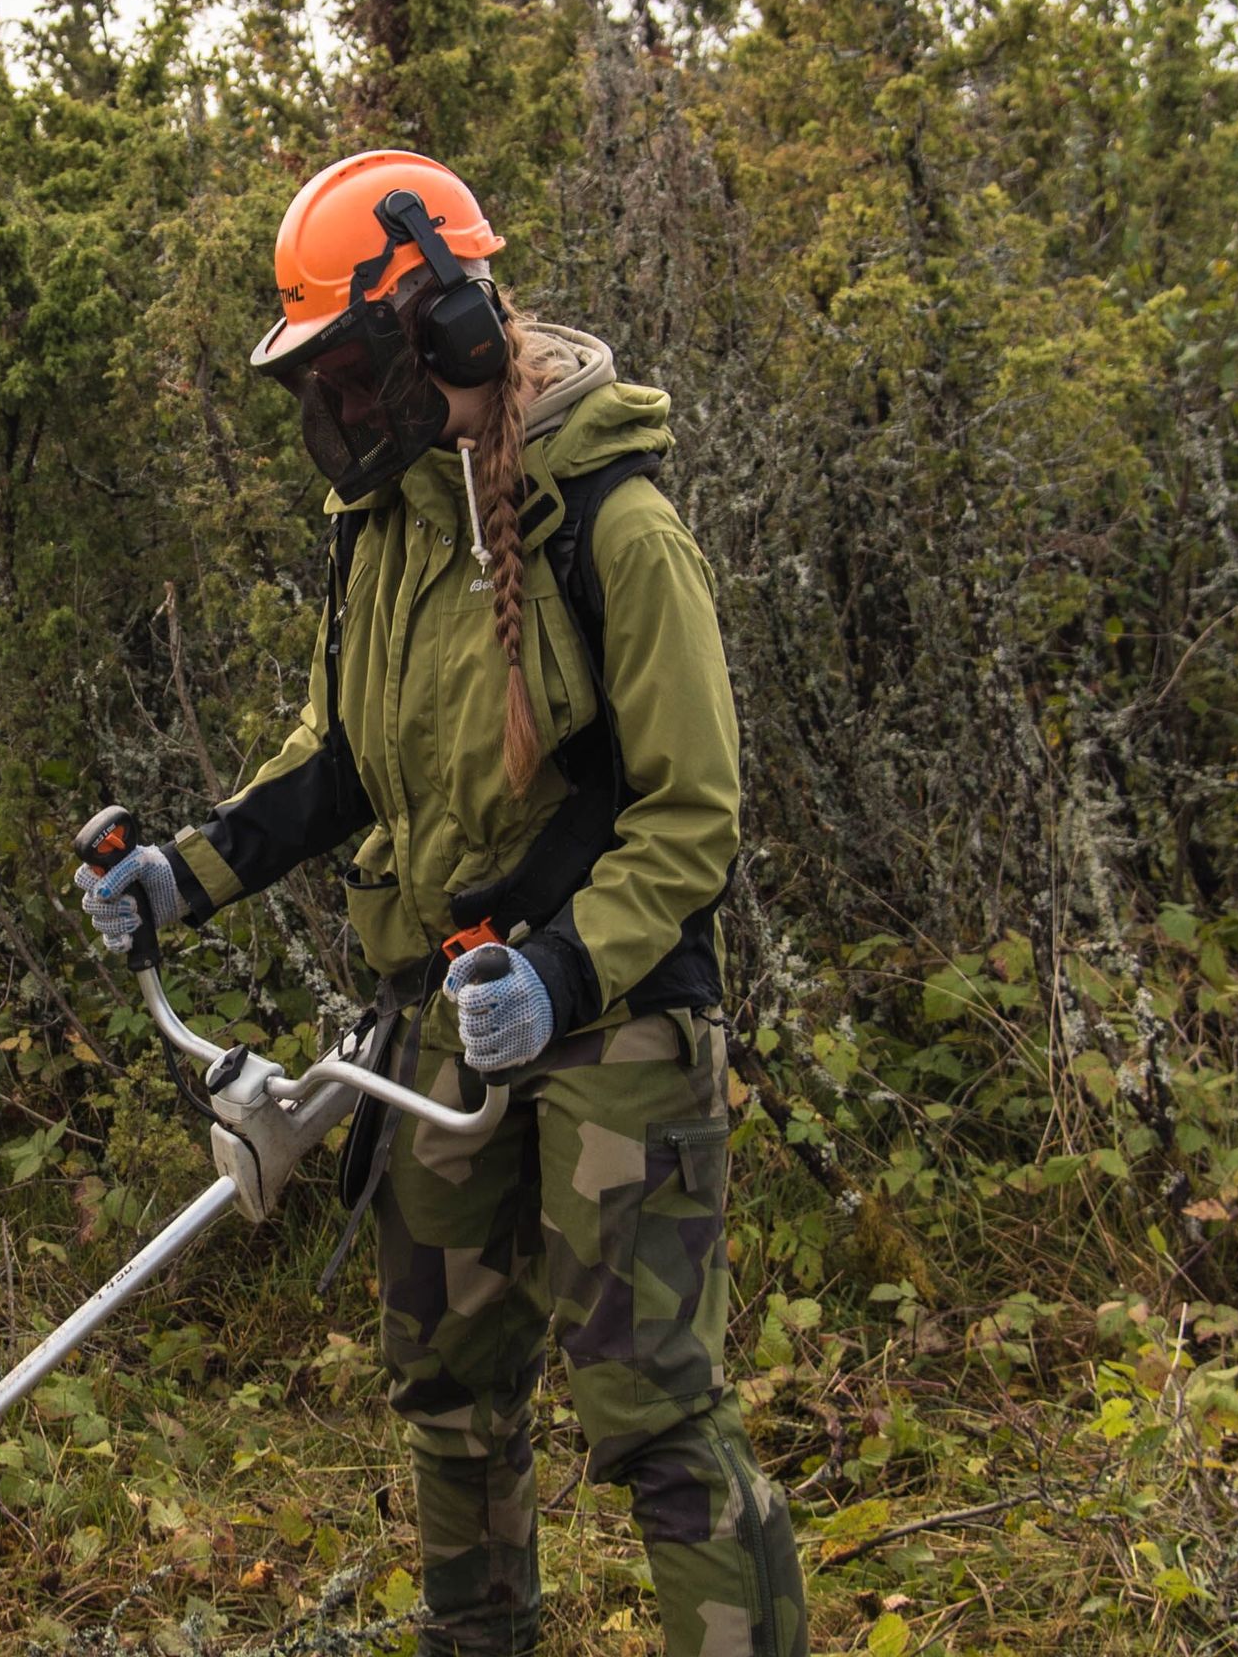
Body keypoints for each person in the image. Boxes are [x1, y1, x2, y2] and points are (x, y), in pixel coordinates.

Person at [74, 151, 805, 1657]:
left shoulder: (613, 520)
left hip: (613, 1023)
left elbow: (693, 813)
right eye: (316, 380)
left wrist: (561, 972)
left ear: (451, 327)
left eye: (349, 365)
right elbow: (343, 754)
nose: (334, 408)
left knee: (655, 1412)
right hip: (440, 1020)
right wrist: (187, 874)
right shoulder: (391, 523)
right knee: (454, 1397)